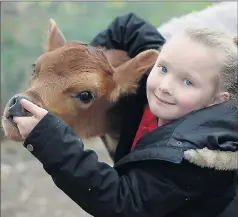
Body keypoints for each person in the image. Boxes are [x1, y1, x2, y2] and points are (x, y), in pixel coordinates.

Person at [13, 14, 238, 217]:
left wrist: (48, 138)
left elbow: (122, 202)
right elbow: (127, 26)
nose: (165, 86)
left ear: (217, 100)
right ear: (153, 61)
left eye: (188, 82)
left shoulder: (192, 155)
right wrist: (85, 61)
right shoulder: (162, 100)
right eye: (163, 68)